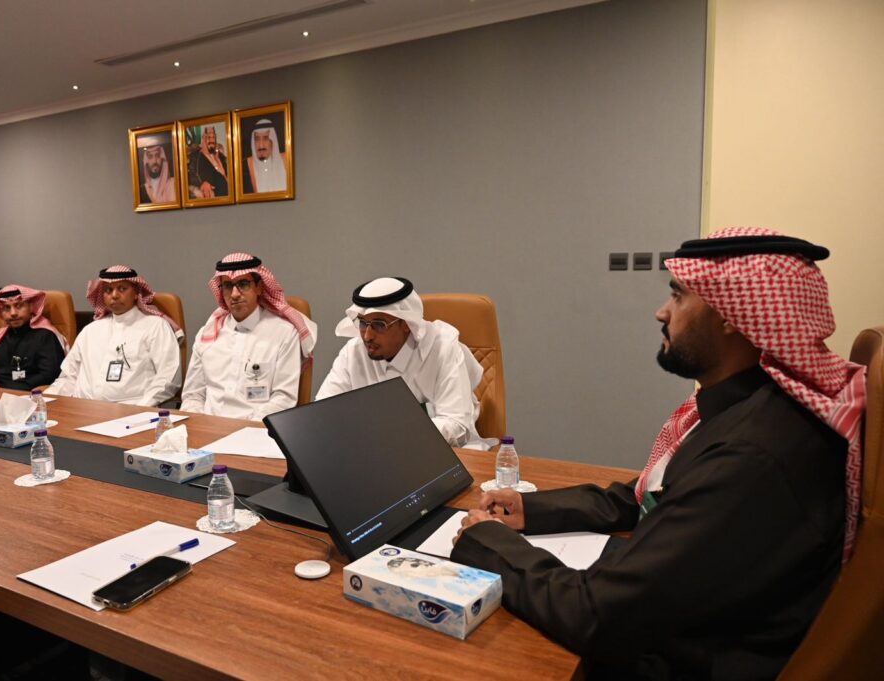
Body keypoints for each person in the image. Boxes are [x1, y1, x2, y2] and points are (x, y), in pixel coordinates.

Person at [452, 228, 866, 681]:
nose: (661, 312)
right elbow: (654, 496)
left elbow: (598, 616)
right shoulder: (750, 406)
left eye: (678, 295)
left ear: (731, 315)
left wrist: (489, 542)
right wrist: (530, 509)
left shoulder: (755, 453)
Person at [316, 277, 486, 448]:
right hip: (368, 451)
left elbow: (457, 426)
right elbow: (322, 413)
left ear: (406, 324)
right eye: (363, 323)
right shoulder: (353, 352)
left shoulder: (443, 348)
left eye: (379, 325)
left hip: (440, 451)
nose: (367, 336)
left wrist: (392, 434)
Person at [180, 253, 316, 420]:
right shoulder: (207, 333)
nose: (235, 294)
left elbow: (283, 399)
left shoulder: (284, 333)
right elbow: (193, 396)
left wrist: (248, 429)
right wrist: (198, 425)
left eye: (243, 284)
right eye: (227, 286)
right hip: (207, 426)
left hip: (257, 429)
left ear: (259, 287)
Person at [46, 266, 183, 406]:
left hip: (131, 409)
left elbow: (168, 378)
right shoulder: (90, 331)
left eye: (122, 289)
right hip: (82, 408)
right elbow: (68, 378)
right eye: (108, 290)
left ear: (136, 293)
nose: (114, 295)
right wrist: (43, 401)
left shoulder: (155, 326)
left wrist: (141, 407)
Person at [0, 285, 67, 390]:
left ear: (31, 307)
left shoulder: (46, 335)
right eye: (6, 308)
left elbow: (50, 374)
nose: (13, 313)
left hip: (26, 394)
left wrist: (6, 388)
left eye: (19, 306)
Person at [242, 119, 288, 194]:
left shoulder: (287, 160)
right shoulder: (245, 166)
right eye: (257, 139)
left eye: (266, 138)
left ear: (273, 140)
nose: (261, 145)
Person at [188, 126, 229, 199]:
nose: (212, 140)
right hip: (213, 194)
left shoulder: (221, 157)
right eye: (209, 137)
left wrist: (223, 172)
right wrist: (201, 184)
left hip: (226, 194)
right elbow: (189, 175)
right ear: (203, 139)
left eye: (213, 137)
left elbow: (231, 178)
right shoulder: (195, 156)